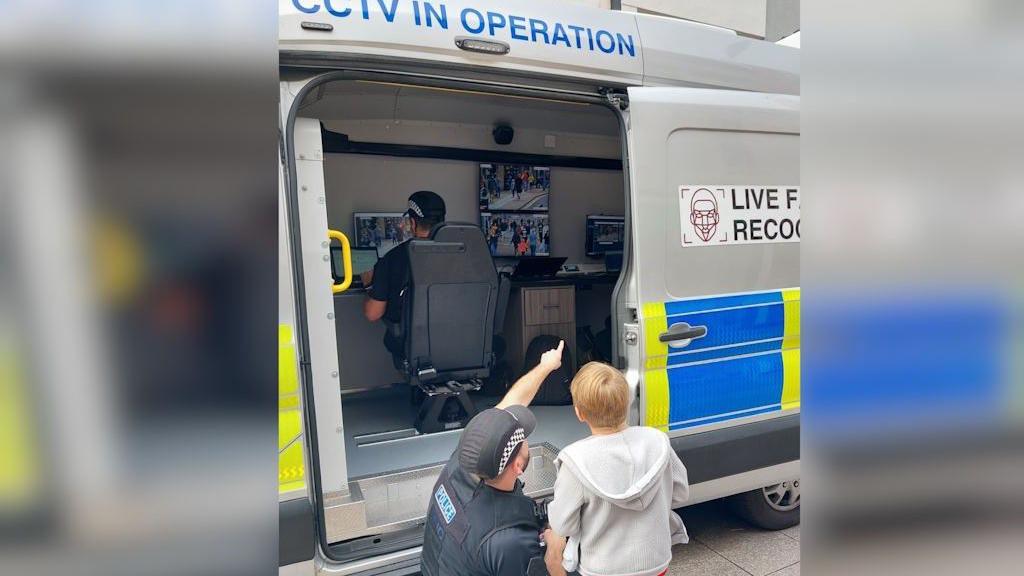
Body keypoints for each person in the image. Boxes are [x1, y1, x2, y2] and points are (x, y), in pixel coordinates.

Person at [420, 341, 568, 576]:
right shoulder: (508, 540)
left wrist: (546, 366)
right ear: (518, 466)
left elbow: (511, 404)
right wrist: (555, 552)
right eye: (524, 439)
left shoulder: (463, 460)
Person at [545, 363, 690, 576]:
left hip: (603, 569)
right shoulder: (657, 442)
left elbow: (564, 524)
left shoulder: (575, 461)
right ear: (628, 402)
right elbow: (680, 492)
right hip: (655, 562)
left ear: (579, 413)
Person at [360, 190, 446, 358]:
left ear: (413, 223)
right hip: (460, 346)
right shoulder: (465, 253)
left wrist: (370, 285)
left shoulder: (393, 259)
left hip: (415, 351)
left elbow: (372, 314)